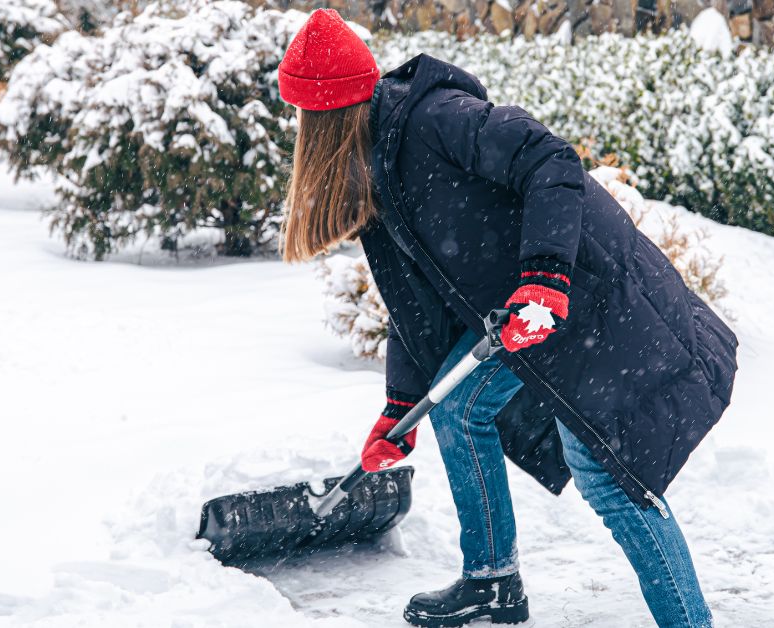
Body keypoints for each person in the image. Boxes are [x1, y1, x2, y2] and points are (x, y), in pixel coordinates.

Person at [276, 9, 738, 628]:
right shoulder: (374, 164)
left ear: (328, 116)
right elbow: (416, 303)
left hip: (586, 291)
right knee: (461, 411)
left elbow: (551, 161)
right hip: (528, 308)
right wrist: (399, 407)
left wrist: (544, 280)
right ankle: (492, 582)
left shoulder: (435, 119)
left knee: (607, 476)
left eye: (307, 119)